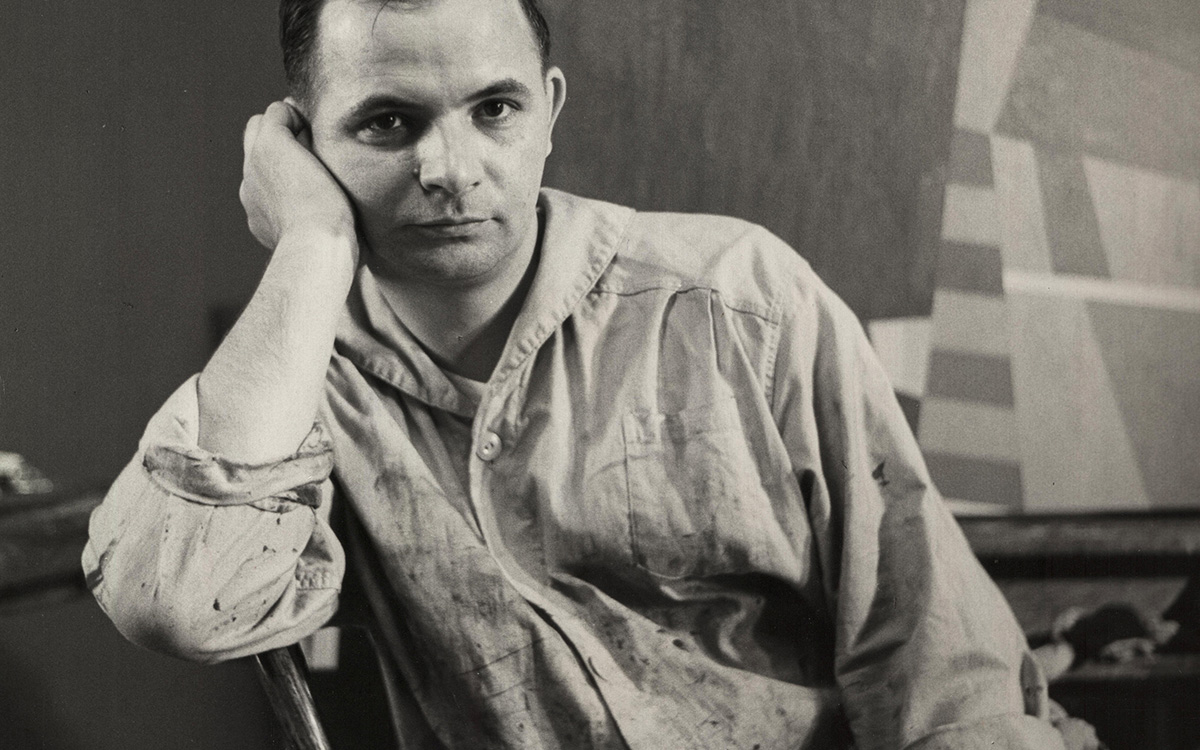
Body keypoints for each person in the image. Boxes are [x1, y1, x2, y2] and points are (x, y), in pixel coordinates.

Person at [83, 0, 1096, 747]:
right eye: (386, 122)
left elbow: (934, 661)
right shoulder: (302, 379)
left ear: (550, 110)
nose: (451, 168)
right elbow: (176, 599)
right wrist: (310, 247)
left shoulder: (735, 298)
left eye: (494, 110)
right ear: (299, 143)